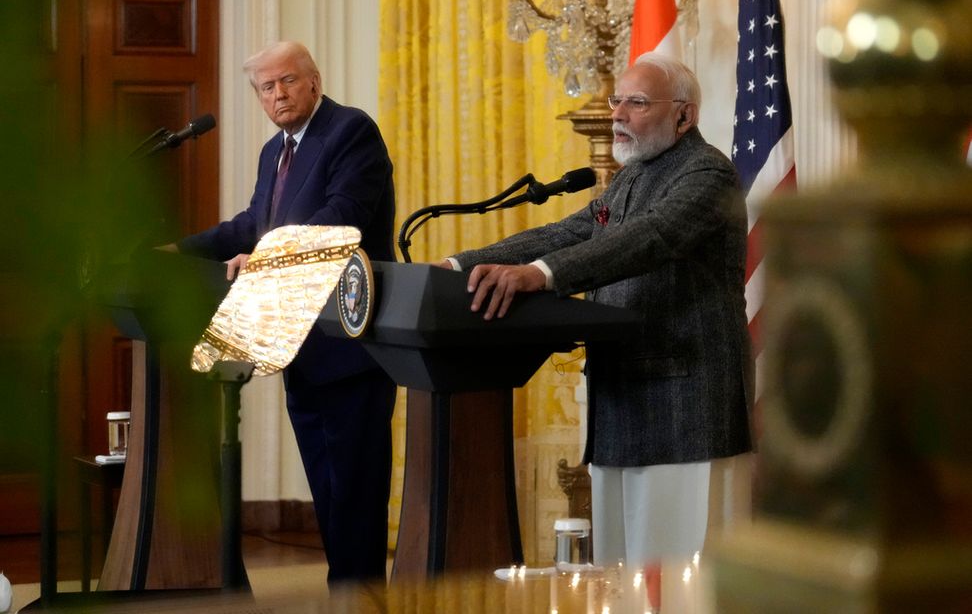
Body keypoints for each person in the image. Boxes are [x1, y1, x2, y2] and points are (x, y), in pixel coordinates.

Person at [445, 53, 753, 574]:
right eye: (617, 101)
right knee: (619, 576)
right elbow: (568, 232)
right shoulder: (631, 177)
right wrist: (456, 266)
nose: (617, 115)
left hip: (685, 405)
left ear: (684, 115)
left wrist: (540, 275)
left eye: (636, 103)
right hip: (624, 397)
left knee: (676, 578)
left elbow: (648, 238)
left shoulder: (708, 173)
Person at [176, 41, 397, 585]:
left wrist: (268, 253)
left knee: (356, 493)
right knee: (327, 489)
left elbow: (338, 217)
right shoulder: (275, 151)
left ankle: (361, 599)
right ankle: (344, 593)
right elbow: (250, 225)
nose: (278, 94)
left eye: (287, 81)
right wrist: (178, 251)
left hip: (350, 338)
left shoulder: (350, 131)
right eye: (266, 88)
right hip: (299, 342)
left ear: (314, 81)